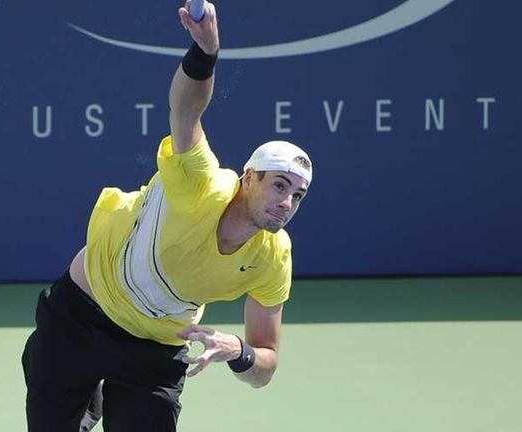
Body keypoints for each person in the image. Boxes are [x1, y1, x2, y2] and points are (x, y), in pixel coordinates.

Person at [21, 2, 313, 431]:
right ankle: (87, 398)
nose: (287, 202)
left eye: (298, 195)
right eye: (279, 186)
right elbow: (185, 109)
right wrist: (206, 52)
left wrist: (239, 350)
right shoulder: (201, 182)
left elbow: (265, 364)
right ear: (249, 178)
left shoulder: (273, 258)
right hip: (80, 315)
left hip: (154, 347)